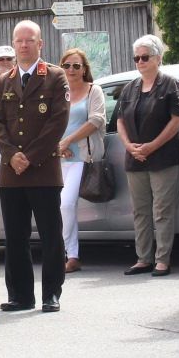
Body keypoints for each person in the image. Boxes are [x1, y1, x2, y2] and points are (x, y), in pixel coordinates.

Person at [0, 20, 70, 313]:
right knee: (15, 236)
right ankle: (20, 295)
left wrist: (30, 156)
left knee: (50, 234)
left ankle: (51, 293)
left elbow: (57, 122)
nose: (23, 45)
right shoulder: (4, 80)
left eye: (29, 40)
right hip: (12, 173)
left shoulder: (55, 77)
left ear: (40, 44)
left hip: (44, 170)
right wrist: (11, 155)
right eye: (19, 41)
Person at [116, 35, 179, 276]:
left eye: (145, 57)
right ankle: (143, 258)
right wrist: (129, 146)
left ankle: (162, 259)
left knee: (163, 210)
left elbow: (178, 119)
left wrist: (152, 146)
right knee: (140, 210)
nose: (140, 62)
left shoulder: (169, 84)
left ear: (158, 58)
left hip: (163, 156)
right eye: (137, 58)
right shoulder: (129, 87)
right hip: (135, 158)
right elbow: (120, 120)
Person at [56, 48, 105, 274]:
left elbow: (96, 120)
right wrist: (59, 145)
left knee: (66, 204)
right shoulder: (57, 92)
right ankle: (64, 252)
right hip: (58, 158)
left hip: (82, 158)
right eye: (67, 65)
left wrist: (68, 141)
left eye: (76, 66)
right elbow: (49, 121)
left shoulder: (93, 91)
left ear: (84, 69)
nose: (71, 70)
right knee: (56, 207)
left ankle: (72, 255)